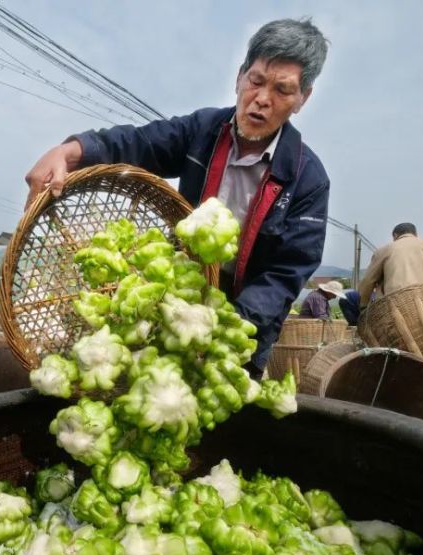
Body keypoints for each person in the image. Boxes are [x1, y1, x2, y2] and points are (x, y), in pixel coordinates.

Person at [24, 19, 331, 379]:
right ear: (240, 77)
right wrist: (71, 151)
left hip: (243, 326)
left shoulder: (307, 178)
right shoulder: (202, 131)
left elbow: (284, 274)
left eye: (283, 90)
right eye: (257, 81)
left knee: (226, 417)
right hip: (179, 302)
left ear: (302, 99)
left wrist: (226, 329)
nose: (262, 99)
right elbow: (140, 143)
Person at [358, 223, 423, 307]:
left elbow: (368, 281)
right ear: (415, 234)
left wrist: (362, 304)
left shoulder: (383, 250)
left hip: (394, 305)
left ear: (395, 236)